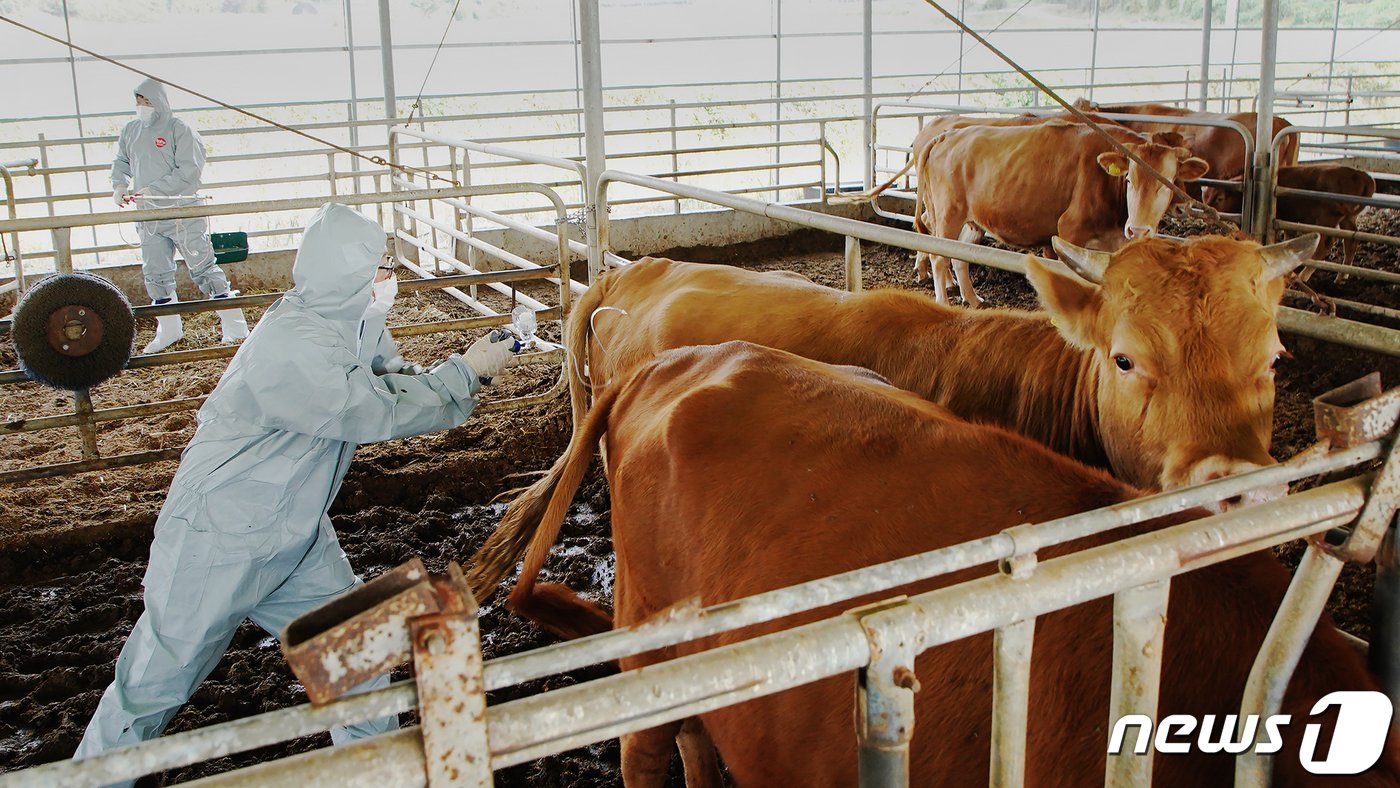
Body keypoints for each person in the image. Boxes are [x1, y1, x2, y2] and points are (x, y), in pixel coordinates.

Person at [74, 203, 517, 780]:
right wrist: (462, 375)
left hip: (294, 530)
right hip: (220, 533)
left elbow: (390, 379)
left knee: (359, 652)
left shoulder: (353, 320)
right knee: (153, 684)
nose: (390, 277)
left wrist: (465, 368)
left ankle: (371, 775)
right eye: (380, 267)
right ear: (344, 276)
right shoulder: (293, 343)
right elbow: (370, 409)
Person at [112, 78, 249, 353]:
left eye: (147, 101)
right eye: (138, 100)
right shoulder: (131, 130)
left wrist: (154, 190)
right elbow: (122, 160)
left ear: (160, 101)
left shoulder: (180, 130)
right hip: (149, 216)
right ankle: (169, 331)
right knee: (155, 272)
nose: (142, 106)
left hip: (182, 212)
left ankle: (235, 328)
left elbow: (189, 171)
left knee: (203, 266)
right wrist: (119, 185)